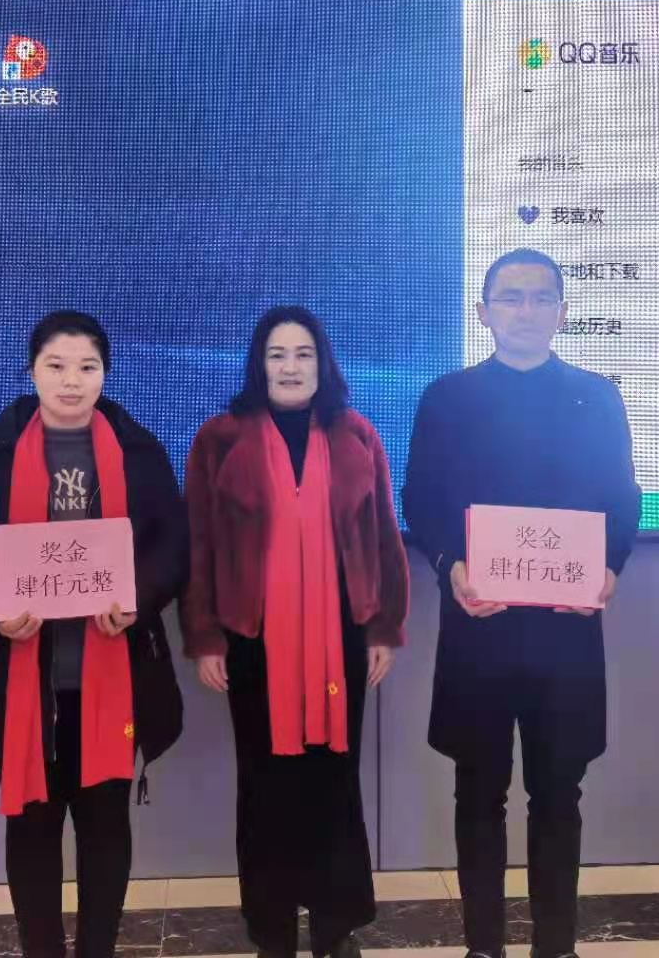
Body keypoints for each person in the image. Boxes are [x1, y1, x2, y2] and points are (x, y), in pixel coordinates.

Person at [403, 250, 641, 958]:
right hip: (479, 628)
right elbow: (420, 498)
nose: (526, 310)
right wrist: (450, 566)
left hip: (565, 636)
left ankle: (556, 946)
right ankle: (484, 946)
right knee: (477, 794)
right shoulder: (447, 398)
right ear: (483, 313)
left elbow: (622, 498)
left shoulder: (597, 397)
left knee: (559, 795)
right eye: (510, 297)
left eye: (541, 298)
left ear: (563, 313)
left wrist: (608, 567)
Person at [0, 311, 188, 958]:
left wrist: (139, 599)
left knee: (106, 830)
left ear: (105, 374)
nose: (72, 381)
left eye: (87, 367)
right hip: (23, 682)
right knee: (32, 832)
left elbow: (174, 546)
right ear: (32, 371)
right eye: (56, 366)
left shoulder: (140, 452)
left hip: (114, 679)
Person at [181, 306, 409, 958]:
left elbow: (383, 536)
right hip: (252, 639)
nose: (290, 367)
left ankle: (334, 929)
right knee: (265, 786)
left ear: (322, 363)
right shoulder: (220, 438)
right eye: (276, 354)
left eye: (303, 353)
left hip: (344, 636)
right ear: (258, 364)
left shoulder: (356, 434)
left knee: (334, 782)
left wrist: (384, 626)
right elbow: (200, 544)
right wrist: (205, 637)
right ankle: (273, 931)